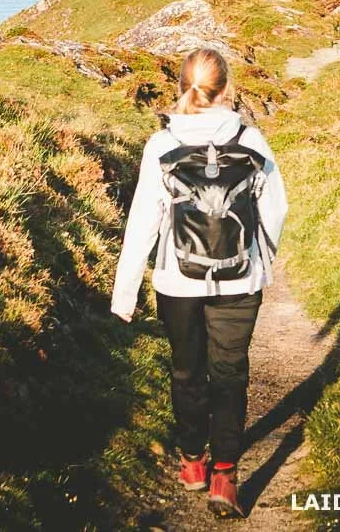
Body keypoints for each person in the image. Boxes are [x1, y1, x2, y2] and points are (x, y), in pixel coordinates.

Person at [111, 47, 288, 518]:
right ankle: (225, 477)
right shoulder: (254, 141)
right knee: (230, 375)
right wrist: (260, 261)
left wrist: (125, 291)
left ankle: (193, 461)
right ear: (227, 89)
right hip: (240, 279)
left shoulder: (161, 146)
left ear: (182, 85)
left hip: (177, 281)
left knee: (187, 371)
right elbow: (275, 210)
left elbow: (143, 222)